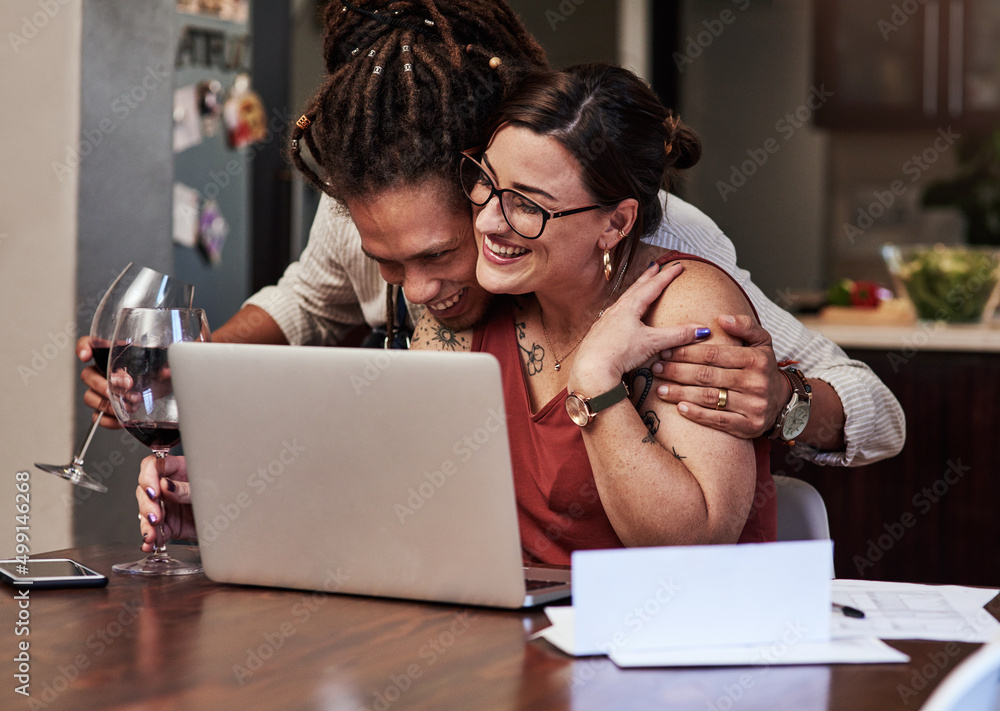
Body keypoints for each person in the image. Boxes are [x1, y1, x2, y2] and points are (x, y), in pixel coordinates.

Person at [128, 0, 902, 553]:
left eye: (437, 255)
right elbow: (305, 308)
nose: (414, 287)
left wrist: (791, 404)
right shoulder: (382, 221)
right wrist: (207, 438)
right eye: (388, 262)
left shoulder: (654, 249)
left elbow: (875, 413)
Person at [408, 63, 776, 563]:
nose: (489, 220)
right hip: (512, 622)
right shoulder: (467, 302)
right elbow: (418, 505)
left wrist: (596, 379)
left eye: (527, 205)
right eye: (485, 181)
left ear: (615, 223)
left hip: (669, 626)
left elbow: (694, 545)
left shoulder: (686, 305)